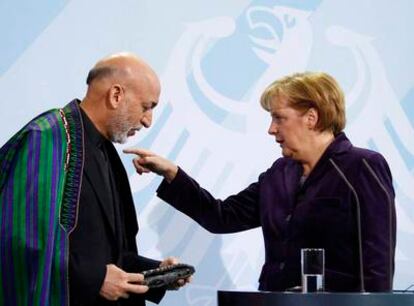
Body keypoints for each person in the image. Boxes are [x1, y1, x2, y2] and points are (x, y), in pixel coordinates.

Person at [124, 72, 396, 292]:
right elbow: (222, 216)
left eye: (279, 118)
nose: (271, 129)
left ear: (311, 118)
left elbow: (377, 266)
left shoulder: (362, 166)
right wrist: (172, 174)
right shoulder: (280, 173)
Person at [0, 53, 189, 306]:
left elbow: (110, 255)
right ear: (116, 95)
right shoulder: (46, 139)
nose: (147, 121)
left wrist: (155, 273)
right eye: (146, 106)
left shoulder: (107, 153)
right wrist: (95, 278)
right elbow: (14, 240)